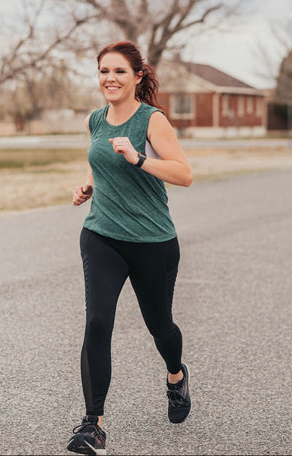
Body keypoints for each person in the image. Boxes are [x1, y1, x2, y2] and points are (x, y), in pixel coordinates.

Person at [67, 41, 193, 455]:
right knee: (97, 322)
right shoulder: (96, 119)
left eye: (119, 71)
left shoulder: (152, 121)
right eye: (104, 71)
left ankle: (175, 375)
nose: (110, 79)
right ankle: (93, 426)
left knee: (160, 327)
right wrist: (90, 184)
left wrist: (139, 159)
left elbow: (183, 174)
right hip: (102, 235)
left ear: (138, 76)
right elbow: (98, 158)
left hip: (152, 242)